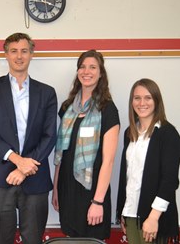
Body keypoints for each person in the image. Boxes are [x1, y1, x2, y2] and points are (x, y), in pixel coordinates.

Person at [0, 33, 58, 244]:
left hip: (35, 176)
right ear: (6, 55)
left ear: (32, 54)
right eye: (13, 51)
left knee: (33, 239)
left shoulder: (47, 92)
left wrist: (25, 167)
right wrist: (18, 161)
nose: (19, 56)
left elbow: (50, 136)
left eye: (24, 51)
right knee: (2, 239)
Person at [52, 49, 120, 240]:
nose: (86, 71)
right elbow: (61, 153)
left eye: (92, 67)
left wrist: (98, 202)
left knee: (92, 239)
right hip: (67, 188)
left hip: (92, 191)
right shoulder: (67, 108)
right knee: (71, 239)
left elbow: (109, 160)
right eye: (82, 67)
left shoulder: (107, 108)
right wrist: (56, 188)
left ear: (101, 73)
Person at [117, 78, 180, 244]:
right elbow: (128, 177)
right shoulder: (129, 134)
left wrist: (153, 217)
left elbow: (170, 180)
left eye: (148, 97)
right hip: (131, 216)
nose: (141, 103)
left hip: (154, 219)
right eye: (137, 98)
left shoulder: (168, 134)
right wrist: (123, 211)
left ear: (156, 101)